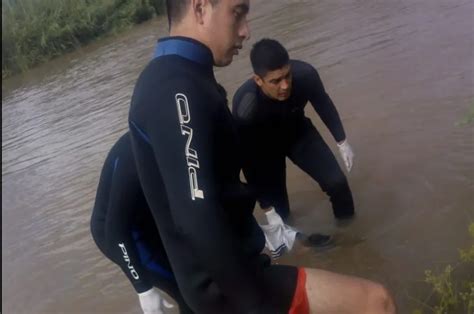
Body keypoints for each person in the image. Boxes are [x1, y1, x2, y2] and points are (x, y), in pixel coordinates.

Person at [128, 0, 396, 313]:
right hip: (234, 287)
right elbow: (195, 218)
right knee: (377, 302)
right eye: (237, 12)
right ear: (200, 8)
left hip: (231, 277)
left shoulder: (175, 77)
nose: (246, 30)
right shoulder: (177, 89)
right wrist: (253, 303)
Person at [232, 38, 356, 225]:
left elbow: (323, 104)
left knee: (338, 183)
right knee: (281, 214)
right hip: (264, 150)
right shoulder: (246, 106)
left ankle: (350, 233)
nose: (285, 86)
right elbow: (247, 160)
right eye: (275, 81)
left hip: (298, 133)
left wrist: (342, 141)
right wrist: (266, 207)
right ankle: (298, 246)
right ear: (258, 80)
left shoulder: (305, 75)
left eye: (287, 76)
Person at [90, 133, 193, 314]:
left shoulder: (184, 134)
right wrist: (143, 288)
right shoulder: (135, 155)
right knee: (186, 289)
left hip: (148, 217)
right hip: (120, 234)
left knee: (199, 272)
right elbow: (115, 231)